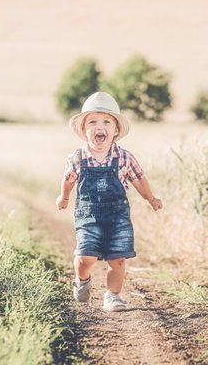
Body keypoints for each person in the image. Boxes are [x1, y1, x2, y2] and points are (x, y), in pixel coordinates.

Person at [56, 91, 163, 312]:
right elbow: (68, 180)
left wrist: (150, 198)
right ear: (84, 131)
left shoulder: (124, 157)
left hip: (117, 218)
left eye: (106, 121)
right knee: (85, 257)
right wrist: (64, 197)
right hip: (88, 216)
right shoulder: (77, 157)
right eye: (92, 122)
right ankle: (82, 279)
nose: (99, 126)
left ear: (115, 131)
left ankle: (112, 296)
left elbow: (139, 179)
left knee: (118, 260)